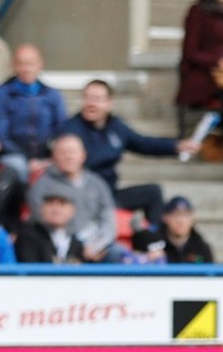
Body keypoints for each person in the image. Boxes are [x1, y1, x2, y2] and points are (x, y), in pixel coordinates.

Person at [64, 80, 198, 225]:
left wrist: (176, 145)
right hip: (83, 197)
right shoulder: (71, 130)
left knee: (153, 192)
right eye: (87, 98)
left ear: (109, 103)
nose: (91, 103)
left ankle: (156, 243)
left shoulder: (115, 126)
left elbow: (143, 143)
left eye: (97, 99)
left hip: (110, 194)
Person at [29, 134, 121, 263]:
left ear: (83, 155)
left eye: (73, 152)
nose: (69, 157)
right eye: (63, 152)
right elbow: (42, 218)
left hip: (95, 243)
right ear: (53, 156)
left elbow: (108, 218)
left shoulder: (97, 183)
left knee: (119, 253)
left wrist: (98, 245)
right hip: (59, 243)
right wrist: (76, 245)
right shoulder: (42, 185)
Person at [0, 44, 66, 184]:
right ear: (13, 66)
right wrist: (29, 161)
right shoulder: (4, 95)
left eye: (30, 64)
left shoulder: (52, 95)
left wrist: (51, 157)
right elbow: (2, 136)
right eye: (21, 64)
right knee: (19, 169)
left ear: (40, 65)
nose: (26, 69)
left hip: (46, 156)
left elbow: (62, 130)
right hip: (13, 156)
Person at [15, 182, 84, 264]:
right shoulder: (28, 236)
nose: (55, 210)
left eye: (62, 204)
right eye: (50, 203)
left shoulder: (77, 242)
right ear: (41, 208)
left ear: (72, 210)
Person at [131, 196, 214, 263]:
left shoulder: (202, 248)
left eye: (185, 215)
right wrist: (147, 257)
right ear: (165, 218)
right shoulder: (152, 240)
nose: (181, 221)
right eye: (176, 215)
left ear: (192, 219)